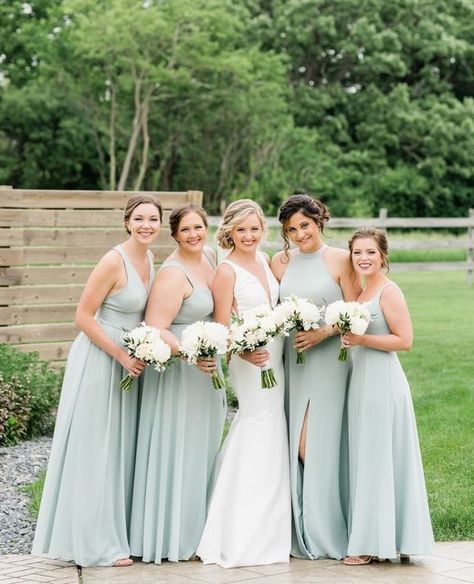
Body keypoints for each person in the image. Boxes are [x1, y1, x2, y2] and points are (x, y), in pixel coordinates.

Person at [32, 194, 162, 567]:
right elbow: (83, 316)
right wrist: (119, 354)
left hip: (129, 359)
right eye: (139, 219)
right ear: (127, 222)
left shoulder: (150, 259)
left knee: (116, 448)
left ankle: (110, 533)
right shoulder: (113, 260)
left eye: (153, 219)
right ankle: (94, 544)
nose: (146, 226)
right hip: (99, 357)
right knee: (96, 448)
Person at [129, 203, 226, 564]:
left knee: (203, 451)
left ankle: (199, 533)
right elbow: (155, 326)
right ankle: (173, 538)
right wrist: (192, 352)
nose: (194, 235)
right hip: (180, 373)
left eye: (199, 227)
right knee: (180, 452)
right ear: (174, 235)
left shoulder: (211, 258)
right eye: (185, 230)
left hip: (206, 372)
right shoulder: (172, 274)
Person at [197, 199, 291, 568]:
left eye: (254, 229)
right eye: (241, 230)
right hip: (250, 361)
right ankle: (238, 531)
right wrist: (245, 348)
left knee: (272, 428)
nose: (249, 236)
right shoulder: (226, 271)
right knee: (257, 423)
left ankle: (271, 529)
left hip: (277, 357)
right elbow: (222, 329)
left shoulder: (266, 261)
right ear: (229, 232)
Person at [271, 192, 361, 560]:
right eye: (292, 229)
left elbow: (358, 311)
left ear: (319, 220)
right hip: (295, 364)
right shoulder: (279, 262)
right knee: (300, 445)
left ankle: (330, 530)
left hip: (331, 363)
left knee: (321, 444)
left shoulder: (340, 259)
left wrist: (322, 332)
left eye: (304, 225)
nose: (299, 234)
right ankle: (305, 524)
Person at [341, 227, 433, 564]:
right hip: (361, 381)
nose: (363, 259)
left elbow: (404, 340)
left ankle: (371, 545)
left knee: (379, 459)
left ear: (383, 256)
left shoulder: (388, 291)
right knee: (368, 459)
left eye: (370, 252)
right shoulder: (362, 295)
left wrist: (362, 340)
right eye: (357, 253)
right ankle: (383, 537)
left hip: (383, 383)